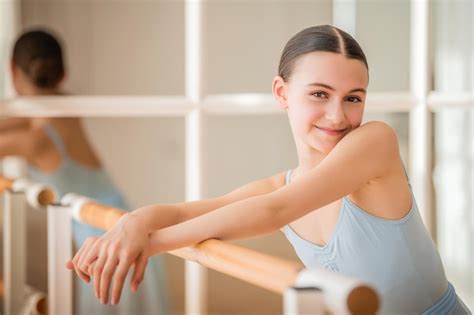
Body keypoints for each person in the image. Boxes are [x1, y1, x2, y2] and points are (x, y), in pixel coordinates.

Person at [68, 25, 471, 314]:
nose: (338, 115)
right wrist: (133, 224)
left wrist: (149, 244)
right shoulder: (281, 184)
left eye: (353, 98)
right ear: (282, 93)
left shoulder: (376, 142)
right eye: (319, 94)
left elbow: (275, 211)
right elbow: (193, 211)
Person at [4, 29, 170, 314]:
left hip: (108, 246)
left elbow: (17, 124)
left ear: (12, 72)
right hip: (122, 230)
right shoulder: (67, 110)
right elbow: (22, 118)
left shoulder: (37, 140)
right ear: (63, 74)